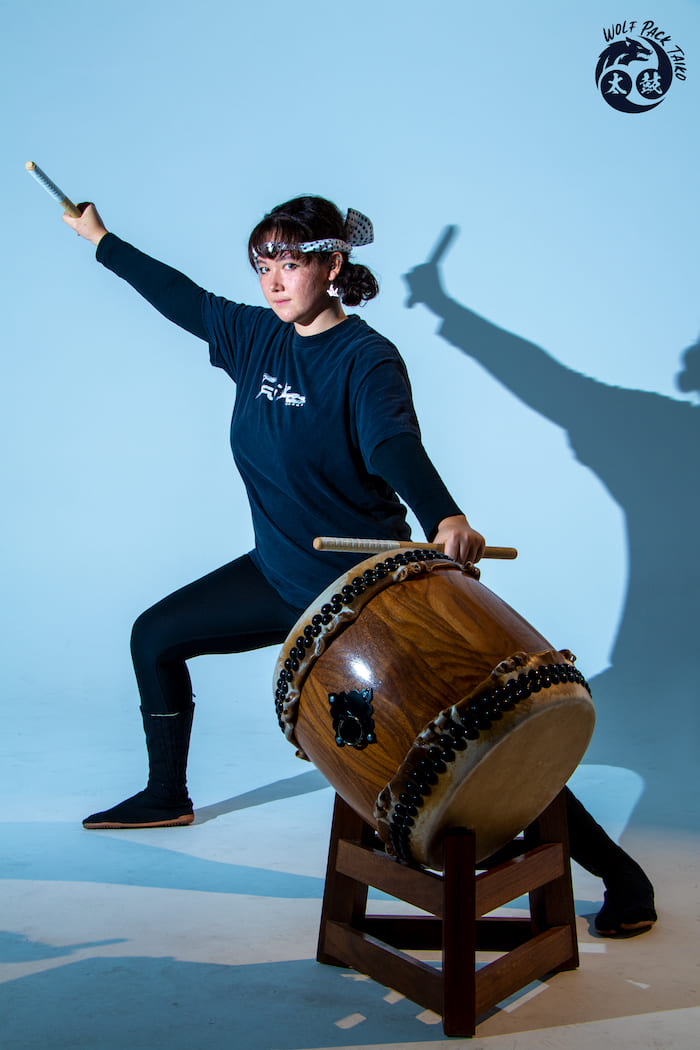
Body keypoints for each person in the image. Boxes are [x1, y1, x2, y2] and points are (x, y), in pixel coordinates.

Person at [61, 195, 655, 936]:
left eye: (292, 263)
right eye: (262, 265)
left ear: (332, 264)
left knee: (452, 742)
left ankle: (623, 876)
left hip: (361, 607)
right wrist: (101, 239)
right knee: (155, 635)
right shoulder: (251, 337)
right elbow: (176, 293)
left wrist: (443, 515)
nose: (275, 281)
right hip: (280, 577)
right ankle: (165, 793)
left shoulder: (365, 358)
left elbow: (391, 446)